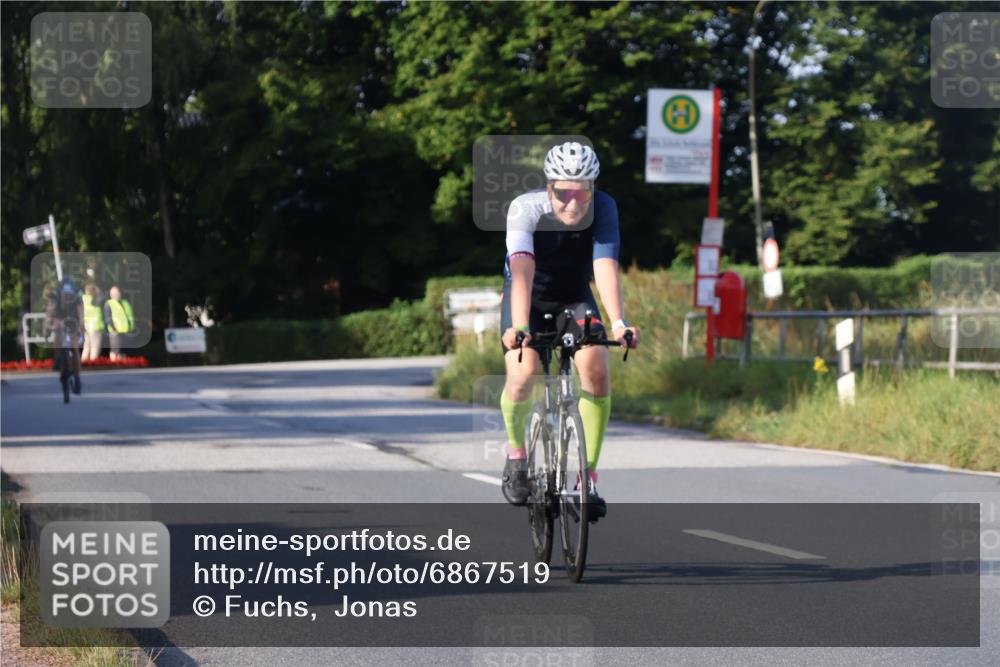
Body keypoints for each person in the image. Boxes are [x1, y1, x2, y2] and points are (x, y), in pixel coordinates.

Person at [498, 142, 640, 517]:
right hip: (528, 297)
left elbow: (604, 265)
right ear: (549, 188)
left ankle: (587, 480)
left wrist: (619, 323)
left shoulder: (604, 207)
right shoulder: (525, 208)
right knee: (524, 372)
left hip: (574, 298)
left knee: (596, 367)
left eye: (583, 194)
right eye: (564, 194)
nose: (574, 204)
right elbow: (521, 270)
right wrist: (520, 326)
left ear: (592, 189)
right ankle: (517, 455)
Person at [45, 277, 84, 393]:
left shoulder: (77, 296)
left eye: (69, 295)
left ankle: (77, 378)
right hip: (59, 316)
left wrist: (81, 326)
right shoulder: (55, 296)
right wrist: (47, 326)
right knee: (57, 330)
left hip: (73, 318)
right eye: (65, 295)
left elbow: (81, 313)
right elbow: (49, 312)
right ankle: (58, 358)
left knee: (74, 348)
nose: (67, 297)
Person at [103, 285, 135, 361]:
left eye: (117, 293)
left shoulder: (125, 303)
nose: (116, 295)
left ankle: (122, 365)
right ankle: (114, 364)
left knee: (124, 350)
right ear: (110, 295)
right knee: (115, 349)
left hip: (126, 330)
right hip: (115, 331)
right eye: (113, 294)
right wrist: (113, 328)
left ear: (120, 293)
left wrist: (131, 327)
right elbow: (108, 318)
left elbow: (130, 315)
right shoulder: (108, 303)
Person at [81, 283, 105, 362]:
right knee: (95, 345)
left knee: (87, 344)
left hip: (86, 324)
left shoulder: (83, 298)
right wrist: (98, 290)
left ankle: (83, 361)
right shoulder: (95, 298)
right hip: (95, 325)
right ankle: (93, 362)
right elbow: (102, 296)